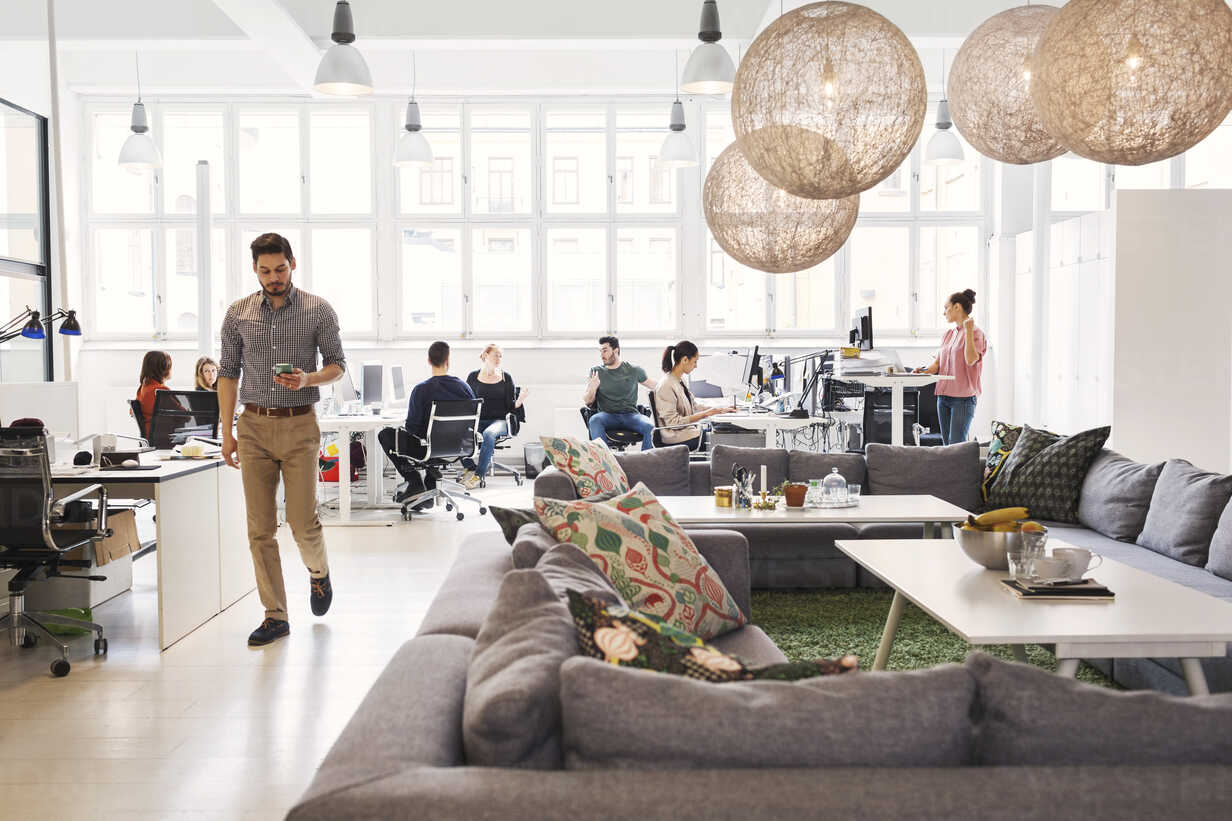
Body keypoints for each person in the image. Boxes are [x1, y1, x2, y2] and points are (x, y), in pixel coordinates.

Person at [218, 232, 346, 648]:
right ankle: (275, 615)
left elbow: (338, 365)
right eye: (265, 270)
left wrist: (308, 378)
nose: (274, 277)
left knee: (301, 521)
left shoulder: (317, 309)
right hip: (252, 426)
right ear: (254, 269)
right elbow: (227, 374)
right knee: (259, 529)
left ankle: (318, 573)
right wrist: (227, 432)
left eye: (280, 269)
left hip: (299, 426)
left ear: (293, 264)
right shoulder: (238, 314)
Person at [378, 341, 475, 502]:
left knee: (386, 435)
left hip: (427, 449)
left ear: (428, 361)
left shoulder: (421, 390)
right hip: (458, 448)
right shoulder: (464, 387)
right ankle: (430, 478)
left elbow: (412, 428)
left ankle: (414, 480)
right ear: (448, 360)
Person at [917, 288, 987, 445]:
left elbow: (971, 360)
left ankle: (960, 470)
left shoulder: (976, 333)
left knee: (957, 445)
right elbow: (937, 364)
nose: (944, 313)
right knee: (947, 447)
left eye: (945, 308)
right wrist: (922, 371)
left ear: (957, 307)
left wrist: (968, 331)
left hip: (962, 399)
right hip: (943, 397)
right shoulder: (948, 334)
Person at [464, 344, 527, 487]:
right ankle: (469, 467)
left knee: (489, 434)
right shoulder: (473, 376)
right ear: (486, 355)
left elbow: (511, 406)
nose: (498, 358)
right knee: (458, 430)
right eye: (495, 355)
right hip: (478, 420)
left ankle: (478, 475)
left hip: (500, 421)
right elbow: (467, 401)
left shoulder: (506, 377)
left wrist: (520, 399)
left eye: (500, 356)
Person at [582, 336, 658, 450]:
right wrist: (593, 388)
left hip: (631, 415)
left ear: (616, 350)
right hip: (607, 416)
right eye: (600, 351)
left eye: (605, 350)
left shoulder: (633, 370)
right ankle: (606, 462)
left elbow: (657, 386)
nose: (602, 355)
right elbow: (587, 401)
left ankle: (646, 461)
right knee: (594, 420)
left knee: (650, 427)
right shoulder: (597, 371)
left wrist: (677, 387)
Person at [654, 341, 728, 450]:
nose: (696, 366)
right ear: (684, 360)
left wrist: (719, 410)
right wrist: (704, 414)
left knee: (722, 432)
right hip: (675, 437)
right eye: (694, 362)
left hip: (686, 431)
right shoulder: (666, 385)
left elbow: (694, 406)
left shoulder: (679, 380)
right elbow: (672, 422)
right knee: (719, 438)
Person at [135, 351, 172, 436]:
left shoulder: (142, 388)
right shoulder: (160, 390)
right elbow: (184, 416)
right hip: (162, 437)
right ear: (163, 369)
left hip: (150, 436)